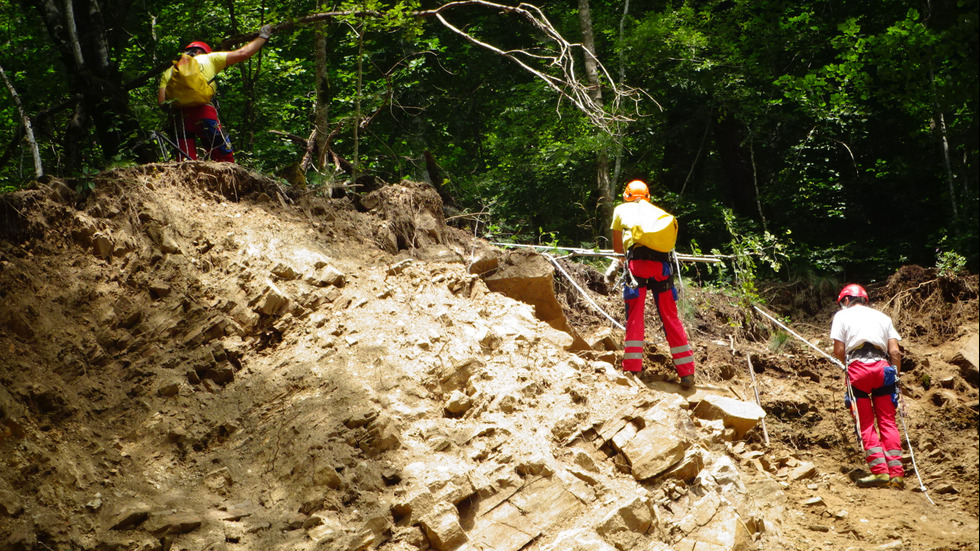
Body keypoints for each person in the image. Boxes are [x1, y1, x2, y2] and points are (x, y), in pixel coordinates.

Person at [609, 180, 696, 387]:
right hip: (662, 268)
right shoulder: (656, 213)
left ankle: (632, 369)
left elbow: (617, 247)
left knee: (635, 316)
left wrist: (617, 262)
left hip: (637, 267)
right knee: (670, 316)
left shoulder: (621, 209)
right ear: (647, 196)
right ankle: (687, 373)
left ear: (626, 195)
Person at [157, 25, 273, 162]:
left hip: (179, 117)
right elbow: (243, 53)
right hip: (204, 112)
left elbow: (162, 102)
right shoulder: (209, 58)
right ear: (203, 52)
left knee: (184, 162)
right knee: (224, 159)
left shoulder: (170, 70)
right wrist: (263, 36)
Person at [830, 283, 905, 488]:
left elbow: (838, 350)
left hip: (858, 370)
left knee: (866, 422)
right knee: (888, 422)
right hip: (883, 369)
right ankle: (896, 474)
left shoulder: (842, 316)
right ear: (865, 300)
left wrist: (847, 363)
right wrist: (895, 380)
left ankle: (880, 472)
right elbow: (895, 353)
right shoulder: (883, 318)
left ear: (845, 300)